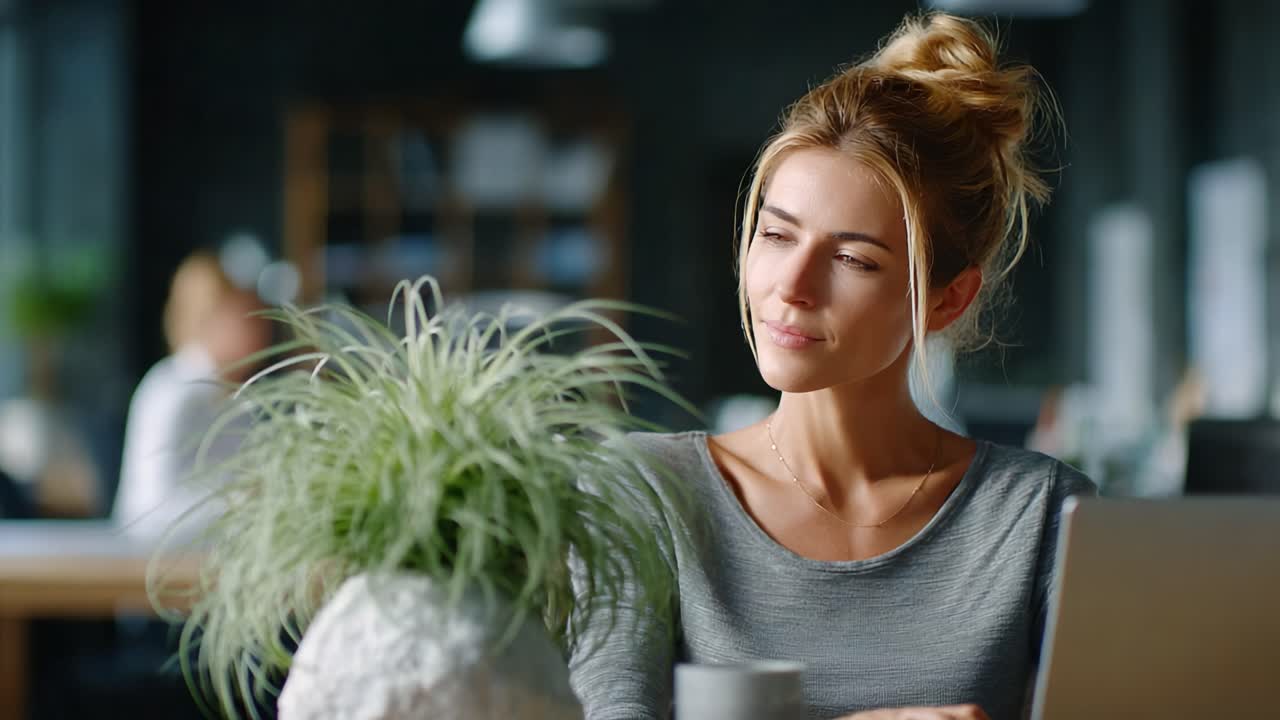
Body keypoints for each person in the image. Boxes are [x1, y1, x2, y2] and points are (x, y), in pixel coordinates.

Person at [569, 12, 1095, 720]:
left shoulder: (1039, 514)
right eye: (775, 234)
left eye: (852, 258)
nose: (792, 284)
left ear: (947, 299)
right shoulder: (649, 492)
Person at [113, 252, 271, 538]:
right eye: (245, 317)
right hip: (153, 567)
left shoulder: (238, 398)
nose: (261, 329)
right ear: (208, 318)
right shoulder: (173, 393)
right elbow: (148, 509)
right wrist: (242, 504)